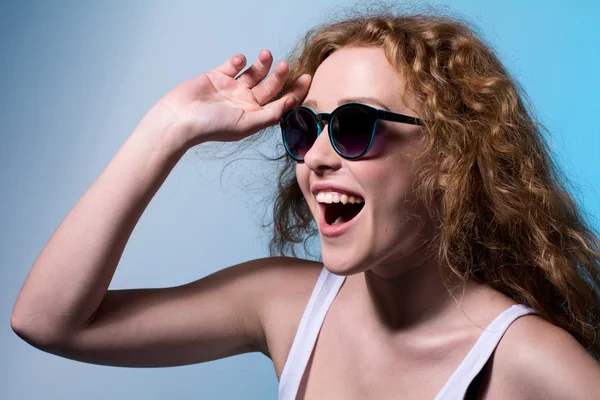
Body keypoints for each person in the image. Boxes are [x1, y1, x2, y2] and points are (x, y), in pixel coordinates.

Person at [10, 12, 600, 399]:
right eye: (303, 126)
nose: (315, 155)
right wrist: (166, 129)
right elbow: (47, 321)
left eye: (354, 124)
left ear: (451, 159)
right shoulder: (286, 307)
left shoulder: (529, 363)